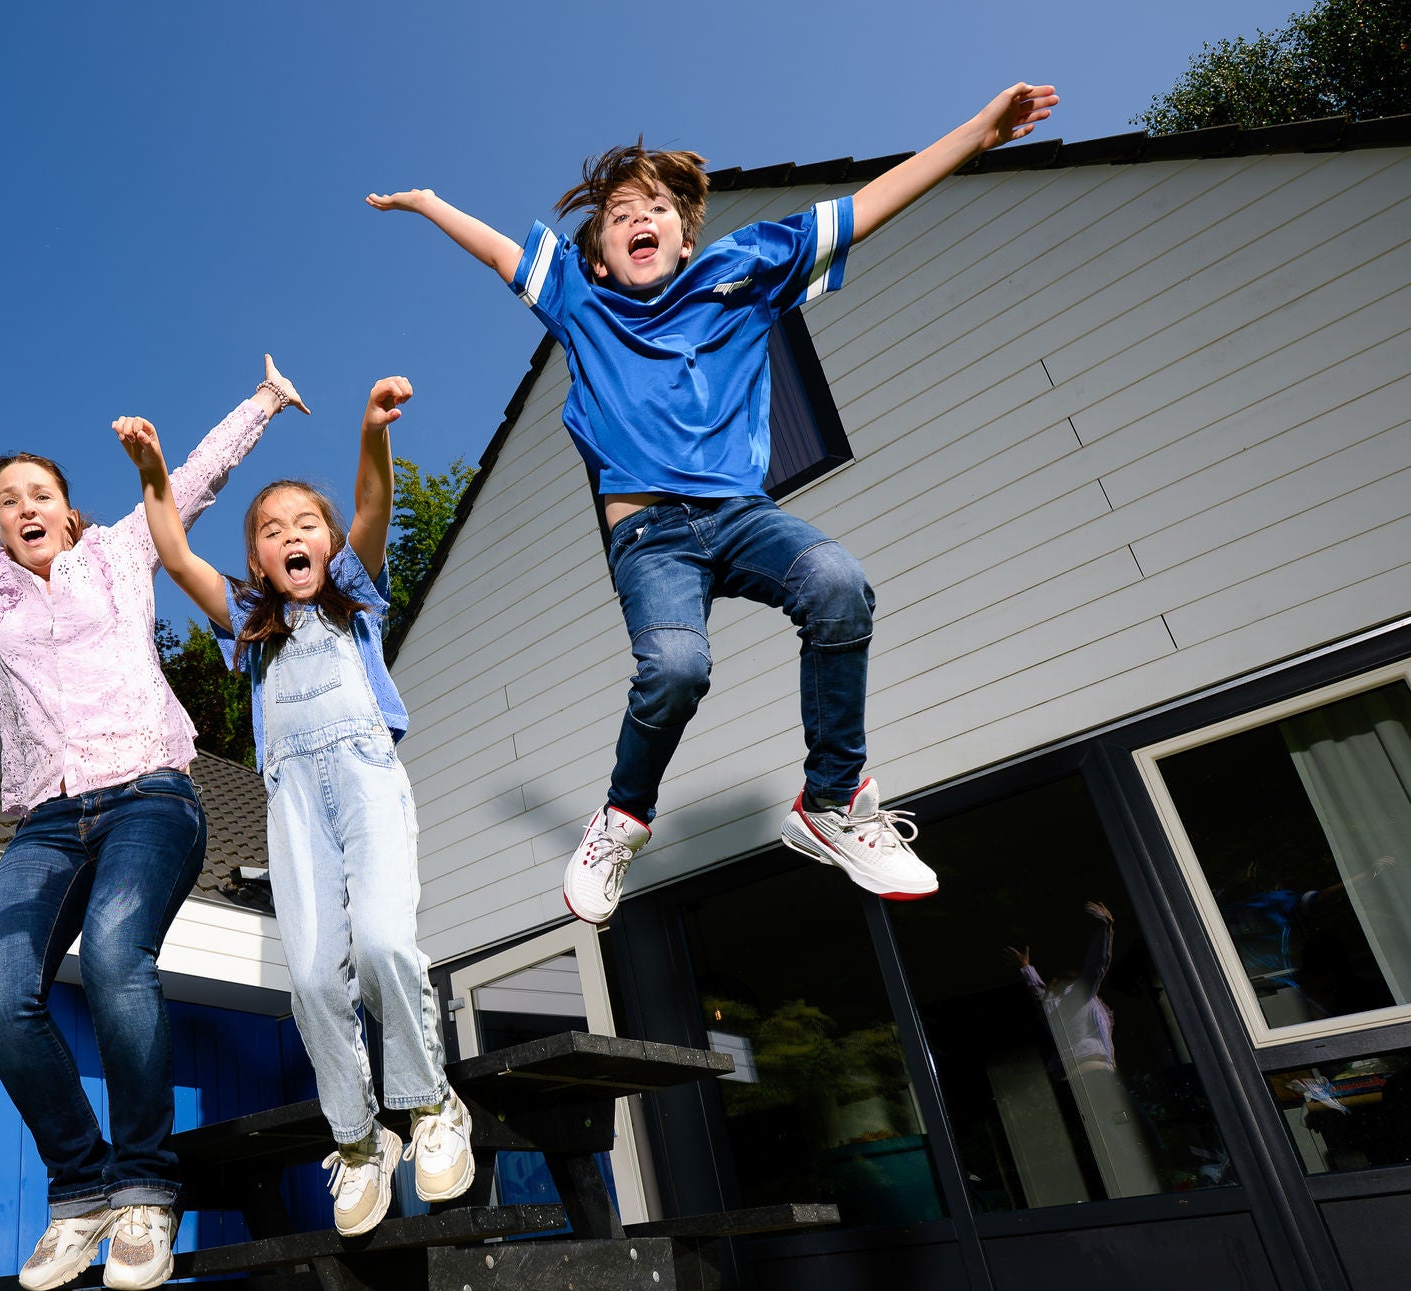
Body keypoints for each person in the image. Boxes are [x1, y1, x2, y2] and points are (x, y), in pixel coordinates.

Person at [367, 83, 1059, 922]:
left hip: (741, 515)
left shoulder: (744, 270)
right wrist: (430, 202)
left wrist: (978, 132)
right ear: (599, 256)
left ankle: (832, 801)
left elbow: (864, 208)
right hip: (650, 538)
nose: (639, 219)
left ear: (686, 235)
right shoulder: (582, 303)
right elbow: (500, 254)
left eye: (655, 208)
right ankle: (622, 818)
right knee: (675, 668)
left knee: (839, 583)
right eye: (619, 216)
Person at [0, 358, 308, 1291]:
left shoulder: (120, 553)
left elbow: (191, 482)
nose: (24, 509)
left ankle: (145, 1187)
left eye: (39, 495)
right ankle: (82, 1187)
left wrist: (262, 402)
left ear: (69, 510)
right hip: (49, 818)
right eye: (8, 502)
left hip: (150, 795)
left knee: (118, 955)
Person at [112, 377, 473, 1238]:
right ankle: (358, 1140)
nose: (290, 536)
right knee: (311, 978)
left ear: (330, 544)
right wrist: (154, 473)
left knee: (384, 943)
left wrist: (373, 431)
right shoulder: (249, 623)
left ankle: (429, 1104)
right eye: (271, 531)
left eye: (305, 524)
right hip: (294, 803)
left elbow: (372, 502)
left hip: (367, 779)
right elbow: (175, 554)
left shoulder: (355, 595)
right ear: (259, 562)